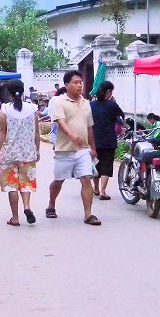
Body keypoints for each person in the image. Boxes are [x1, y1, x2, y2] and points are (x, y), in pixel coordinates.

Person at [47, 70, 101, 225]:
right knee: (58, 181)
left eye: (80, 82)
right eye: (76, 82)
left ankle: (88, 215)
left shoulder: (86, 103)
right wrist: (72, 136)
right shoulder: (59, 102)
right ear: (67, 85)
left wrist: (93, 147)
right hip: (64, 150)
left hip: (83, 150)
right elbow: (61, 122)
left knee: (86, 179)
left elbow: (90, 127)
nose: (79, 85)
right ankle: (51, 204)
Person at [0, 79, 40, 226]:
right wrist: (37, 150)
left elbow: (2, 132)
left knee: (12, 185)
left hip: (9, 153)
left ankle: (15, 218)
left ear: (8, 92)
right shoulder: (33, 108)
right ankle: (27, 206)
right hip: (28, 152)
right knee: (26, 184)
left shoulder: (5, 109)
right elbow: (36, 133)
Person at [90, 81, 125, 200]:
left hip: (94, 139)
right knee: (106, 165)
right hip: (108, 140)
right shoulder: (112, 105)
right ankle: (103, 191)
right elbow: (120, 117)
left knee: (96, 164)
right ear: (109, 91)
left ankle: (95, 188)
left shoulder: (91, 105)